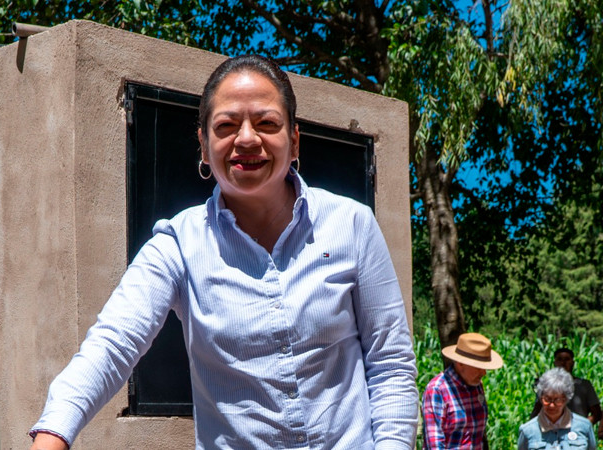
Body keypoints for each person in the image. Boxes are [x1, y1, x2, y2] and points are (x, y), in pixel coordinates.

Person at [28, 54, 419, 449]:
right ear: (204, 145)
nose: (246, 139)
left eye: (267, 123)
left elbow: (390, 365)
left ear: (294, 140)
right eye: (227, 126)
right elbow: (112, 344)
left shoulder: (352, 225)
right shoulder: (178, 246)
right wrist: (54, 433)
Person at [421, 332, 504, 449]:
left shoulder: (476, 385)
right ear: (460, 363)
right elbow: (435, 445)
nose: (484, 373)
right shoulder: (437, 390)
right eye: (479, 367)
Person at [518, 367, 597, 449]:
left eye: (557, 400)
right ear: (541, 398)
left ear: (566, 399)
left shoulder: (584, 426)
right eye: (547, 399)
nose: (552, 405)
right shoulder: (527, 430)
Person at [530, 348, 601, 426]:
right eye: (560, 359)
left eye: (567, 359)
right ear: (555, 363)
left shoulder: (584, 385)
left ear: (572, 363)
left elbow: (596, 413)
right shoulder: (546, 385)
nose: (563, 363)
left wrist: (582, 426)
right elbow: (537, 409)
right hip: (550, 429)